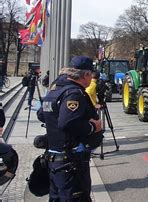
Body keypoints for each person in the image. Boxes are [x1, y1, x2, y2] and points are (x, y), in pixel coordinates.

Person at [37, 56, 103, 201]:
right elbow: (67, 123)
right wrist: (93, 126)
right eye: (91, 75)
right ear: (85, 74)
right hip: (70, 162)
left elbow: (42, 114)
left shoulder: (55, 91)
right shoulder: (74, 93)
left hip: (54, 160)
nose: (91, 78)